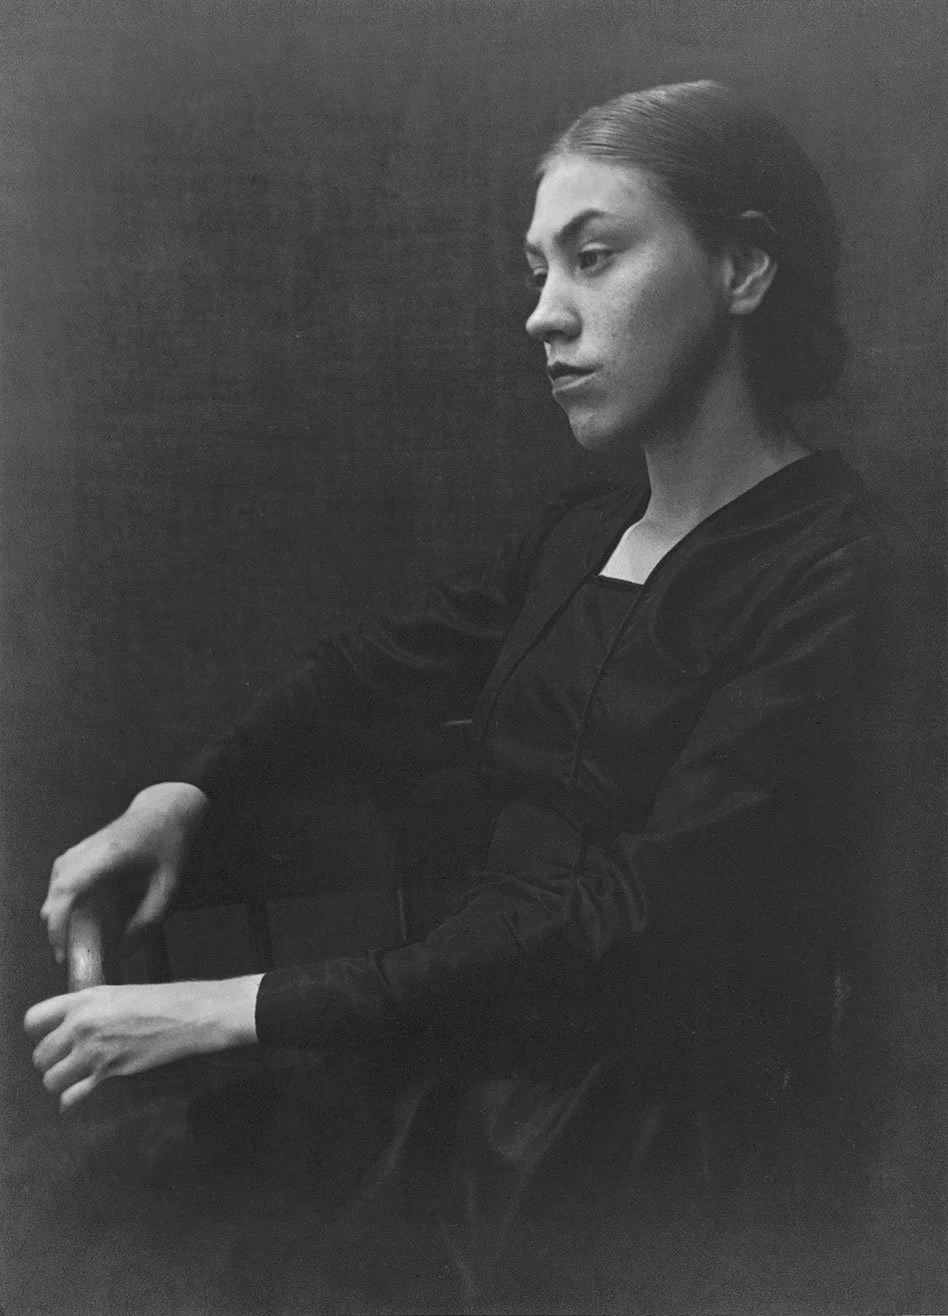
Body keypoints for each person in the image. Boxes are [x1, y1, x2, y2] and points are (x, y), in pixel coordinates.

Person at [25, 80, 904, 1306]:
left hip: (665, 1160)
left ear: (743, 267)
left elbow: (642, 919)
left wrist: (246, 1007)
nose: (543, 313)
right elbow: (364, 676)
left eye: (594, 257)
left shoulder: (847, 573)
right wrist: (184, 792)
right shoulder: (577, 537)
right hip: (467, 1075)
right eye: (538, 270)